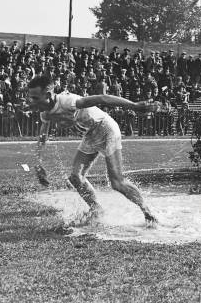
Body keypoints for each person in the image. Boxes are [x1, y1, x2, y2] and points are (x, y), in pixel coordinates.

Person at [27, 75, 159, 223]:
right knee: (76, 178)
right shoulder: (45, 113)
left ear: (48, 95)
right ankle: (96, 209)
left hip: (106, 129)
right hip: (90, 135)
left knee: (117, 182)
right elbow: (43, 135)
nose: (31, 101)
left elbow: (102, 98)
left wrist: (134, 106)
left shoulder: (67, 101)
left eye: (35, 98)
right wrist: (38, 162)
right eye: (30, 97)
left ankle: (147, 212)